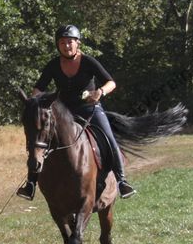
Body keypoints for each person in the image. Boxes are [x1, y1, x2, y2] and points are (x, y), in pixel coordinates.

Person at [16, 25, 135, 200]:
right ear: (58, 45)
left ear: (77, 43)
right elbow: (38, 89)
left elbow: (111, 82)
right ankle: (30, 184)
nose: (66, 46)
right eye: (62, 43)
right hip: (64, 113)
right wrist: (34, 104)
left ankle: (122, 181)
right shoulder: (53, 65)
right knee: (38, 140)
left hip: (89, 109)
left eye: (70, 42)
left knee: (109, 139)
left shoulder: (88, 62)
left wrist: (100, 92)